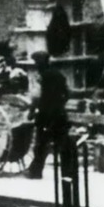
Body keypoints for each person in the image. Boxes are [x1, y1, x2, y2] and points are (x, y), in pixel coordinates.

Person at [27, 51, 70, 180]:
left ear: (39, 63)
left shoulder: (41, 77)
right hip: (59, 115)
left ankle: (35, 172)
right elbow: (67, 94)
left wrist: (31, 111)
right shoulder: (59, 75)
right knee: (62, 143)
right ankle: (67, 173)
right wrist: (59, 105)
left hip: (45, 116)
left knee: (41, 145)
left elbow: (36, 97)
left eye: (36, 63)